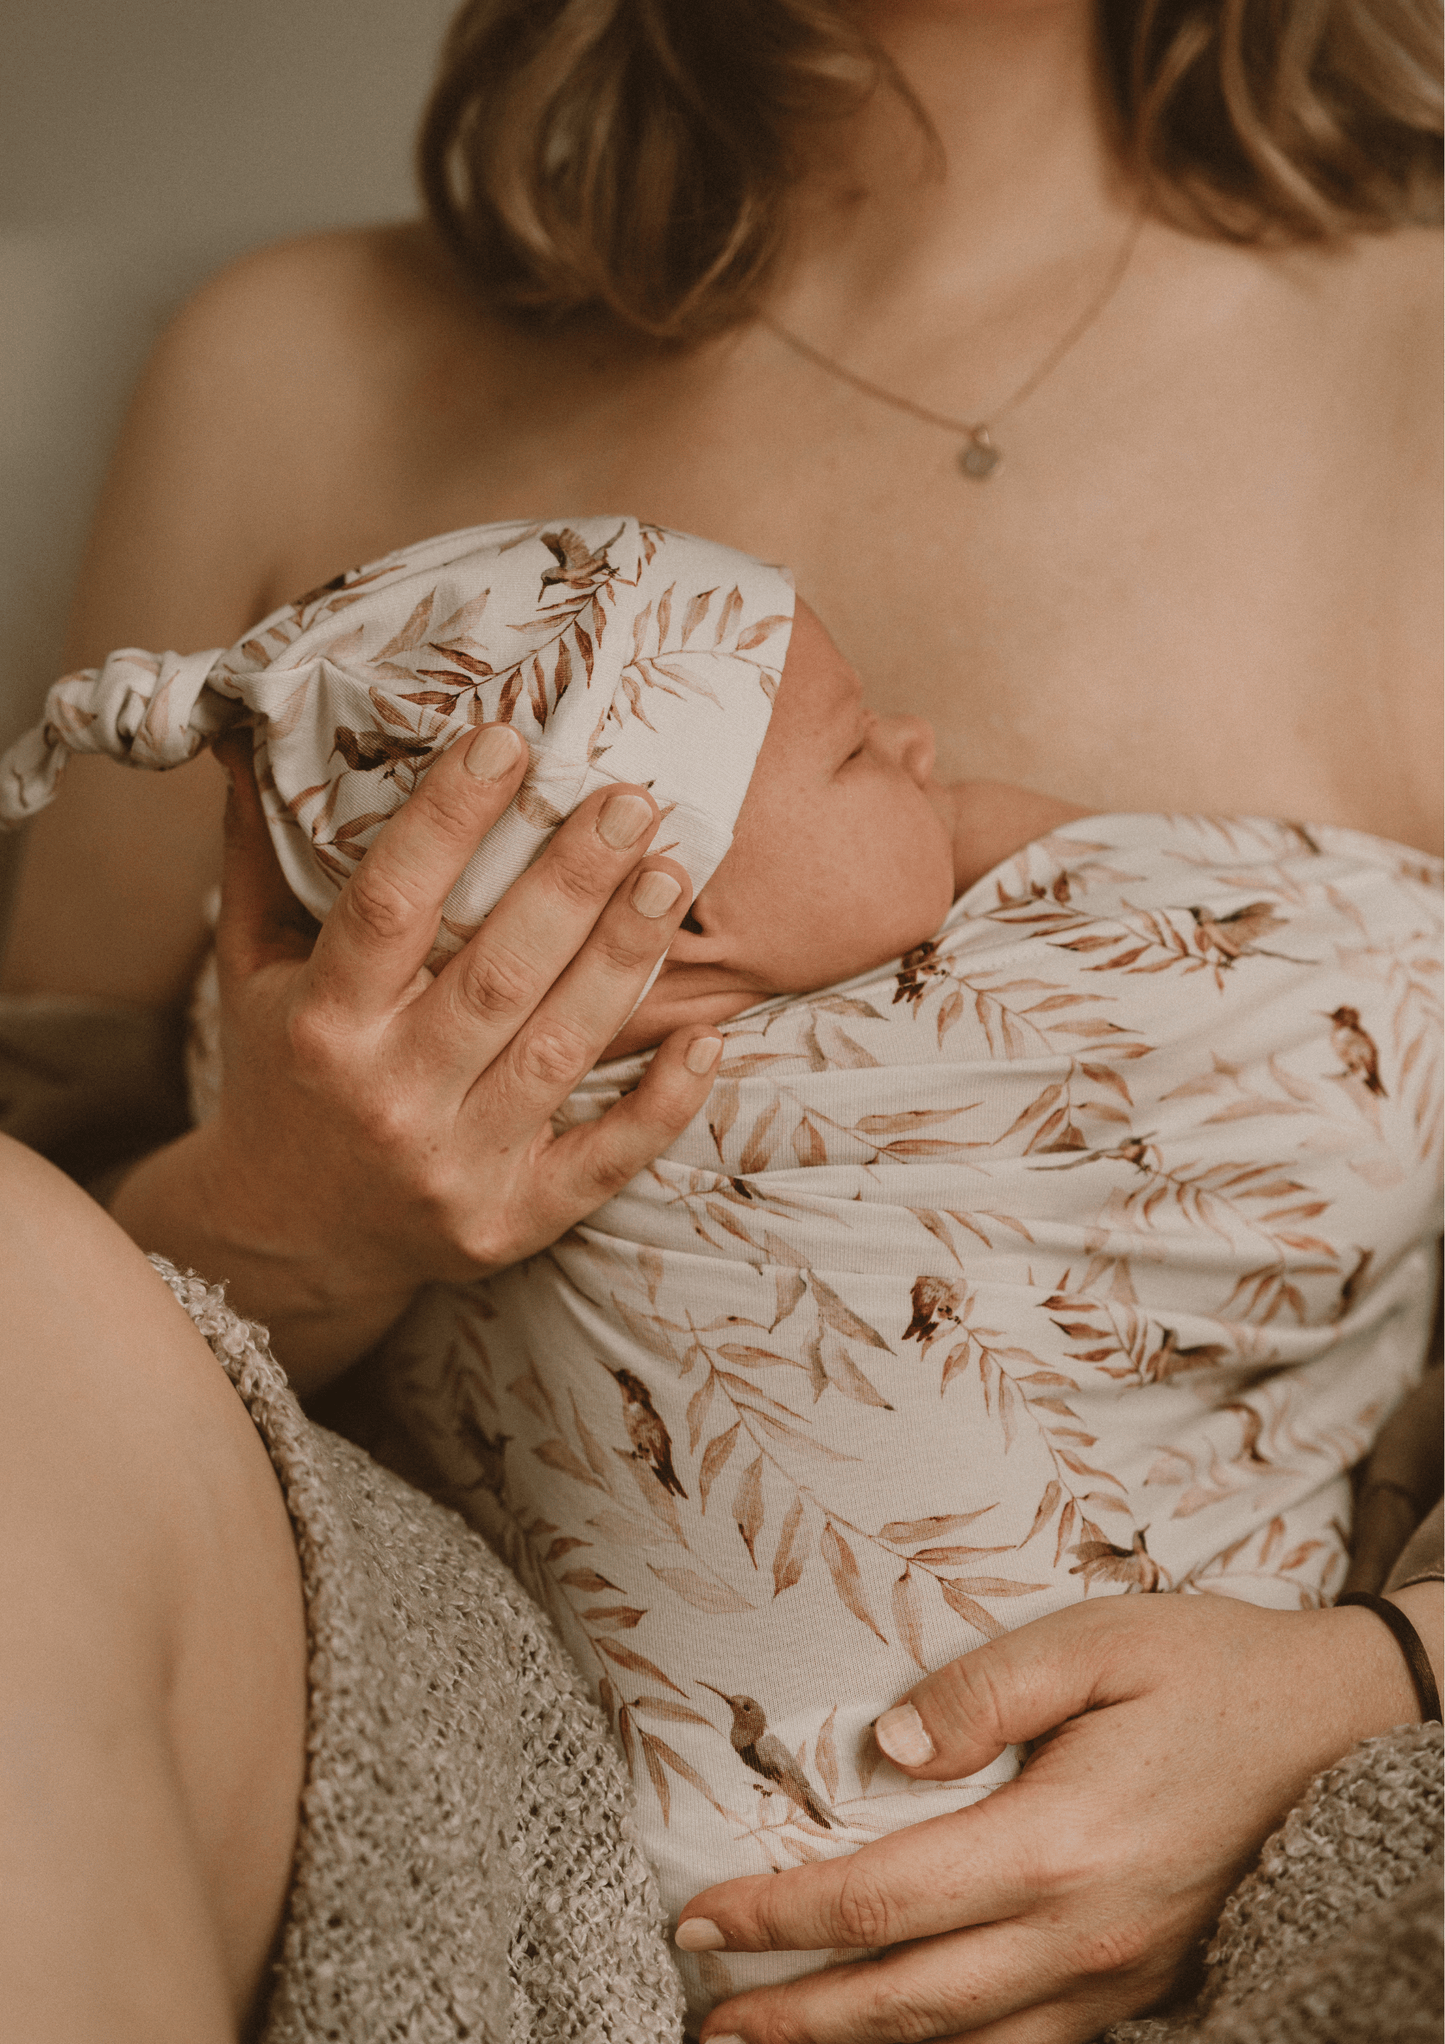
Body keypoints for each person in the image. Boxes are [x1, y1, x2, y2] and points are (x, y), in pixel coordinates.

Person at [1, 3, 1440, 2040]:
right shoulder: (292, 371)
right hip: (444, 1758)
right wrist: (274, 1222)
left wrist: (1369, 1677)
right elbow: (44, 1329)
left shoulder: (1419, 371)